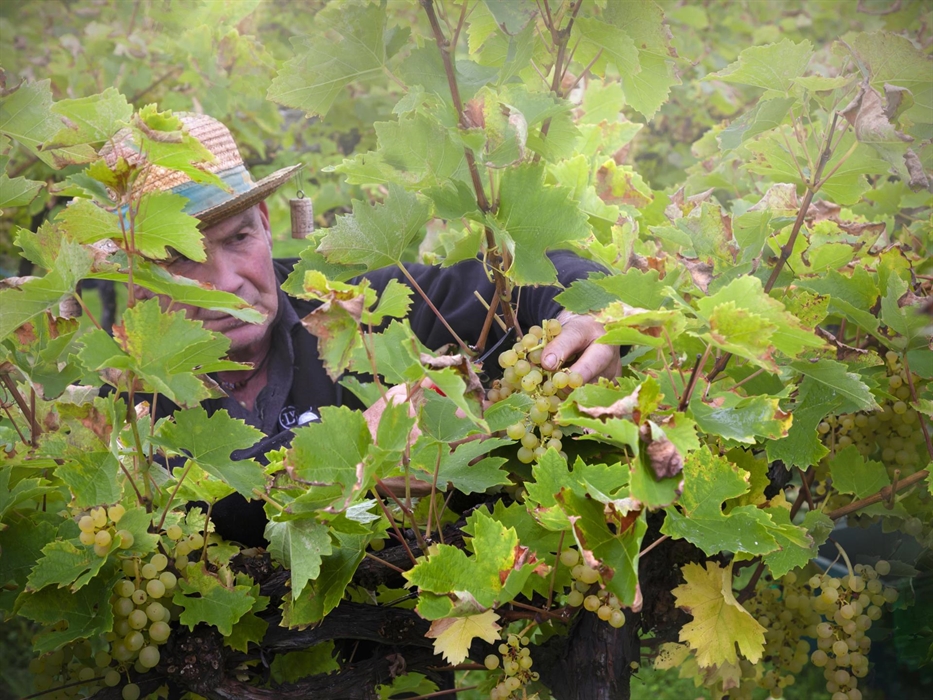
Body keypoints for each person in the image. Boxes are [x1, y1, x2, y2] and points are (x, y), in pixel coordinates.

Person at [102, 113, 619, 545]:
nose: (226, 282)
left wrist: (590, 313)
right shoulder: (126, 401)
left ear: (264, 220)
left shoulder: (343, 301)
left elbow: (516, 278)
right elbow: (200, 512)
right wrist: (344, 458)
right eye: (179, 258)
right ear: (134, 275)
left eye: (238, 238)